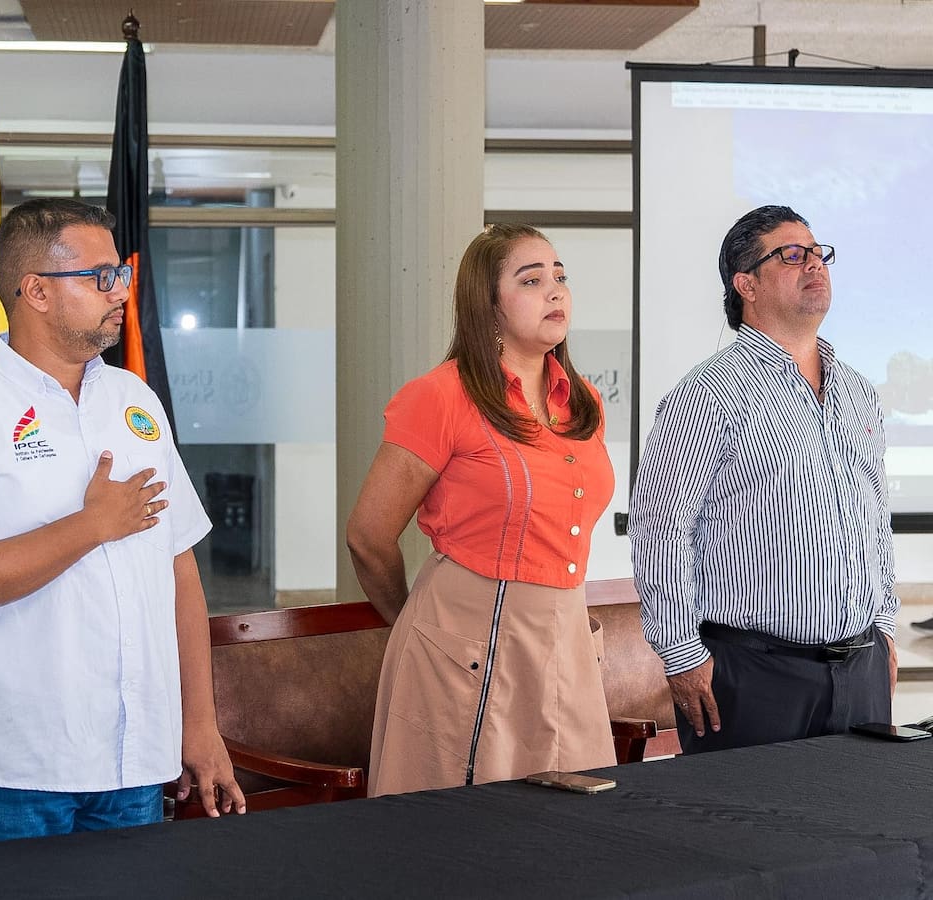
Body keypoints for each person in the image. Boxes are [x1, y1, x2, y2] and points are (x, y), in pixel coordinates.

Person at [0, 198, 244, 844]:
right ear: (36, 292)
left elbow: (179, 570)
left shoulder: (134, 400)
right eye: (101, 276)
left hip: (135, 755)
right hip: (15, 764)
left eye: (121, 273)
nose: (121, 291)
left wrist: (199, 724)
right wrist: (91, 526)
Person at [347, 223, 617, 797]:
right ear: (488, 306)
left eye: (560, 276)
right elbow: (368, 536)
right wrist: (413, 623)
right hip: (464, 641)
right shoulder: (440, 396)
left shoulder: (584, 400)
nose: (555, 291)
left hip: (566, 636)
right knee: (466, 826)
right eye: (531, 280)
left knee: (573, 827)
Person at [628, 205, 898, 754]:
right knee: (749, 815)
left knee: (864, 813)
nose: (815, 264)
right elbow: (660, 531)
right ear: (746, 284)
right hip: (751, 675)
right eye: (792, 255)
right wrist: (680, 654)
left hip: (861, 668)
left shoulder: (857, 391)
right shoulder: (708, 393)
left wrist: (885, 629)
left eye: (818, 253)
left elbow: (876, 521)